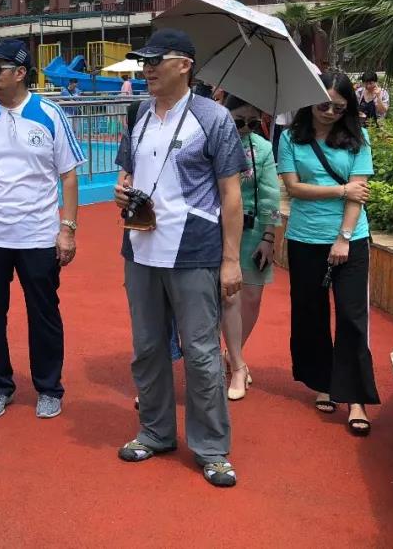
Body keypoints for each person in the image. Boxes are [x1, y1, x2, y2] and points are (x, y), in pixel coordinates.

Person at [113, 29, 246, 488]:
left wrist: (231, 260)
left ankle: (211, 448)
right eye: (144, 61)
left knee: (202, 352)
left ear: (185, 65)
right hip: (140, 249)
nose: (147, 69)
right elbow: (128, 174)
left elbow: (231, 195)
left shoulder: (213, 118)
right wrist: (122, 191)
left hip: (194, 249)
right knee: (148, 348)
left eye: (156, 60)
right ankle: (155, 431)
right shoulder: (138, 115)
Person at [0, 40, 85, 420]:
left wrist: (68, 229)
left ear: (21, 73)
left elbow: (68, 176)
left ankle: (49, 387)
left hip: (38, 235)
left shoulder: (50, 114)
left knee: (43, 313)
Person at [278, 72, 377, 435]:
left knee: (352, 317)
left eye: (339, 107)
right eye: (324, 105)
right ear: (309, 101)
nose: (331, 112)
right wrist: (340, 190)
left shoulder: (358, 138)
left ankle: (356, 398)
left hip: (351, 239)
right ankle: (323, 381)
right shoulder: (291, 138)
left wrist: (343, 238)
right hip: (304, 238)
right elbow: (293, 188)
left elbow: (359, 193)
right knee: (310, 313)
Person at [221, 95, 281, 401]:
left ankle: (234, 354)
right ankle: (237, 364)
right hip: (219, 229)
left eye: (252, 123)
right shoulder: (214, 144)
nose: (245, 128)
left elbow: (271, 195)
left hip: (254, 230)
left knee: (252, 297)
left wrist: (269, 238)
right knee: (226, 296)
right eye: (239, 121)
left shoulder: (263, 148)